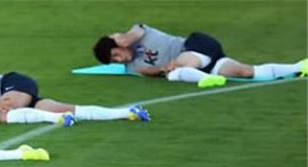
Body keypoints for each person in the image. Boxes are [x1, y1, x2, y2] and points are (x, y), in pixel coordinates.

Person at [0, 61, 150, 126]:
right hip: (8, 97)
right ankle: (127, 113)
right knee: (64, 106)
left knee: (5, 115)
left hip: (11, 82)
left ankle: (59, 121)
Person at [93, 24, 308, 88]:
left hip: (197, 44)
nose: (119, 60)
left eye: (115, 54)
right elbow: (148, 71)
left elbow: (133, 34)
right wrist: (160, 69)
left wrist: (120, 39)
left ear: (118, 44)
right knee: (245, 71)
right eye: (114, 61)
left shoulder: (140, 32)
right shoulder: (132, 67)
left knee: (176, 68)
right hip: (207, 63)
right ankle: (299, 66)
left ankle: (205, 80)